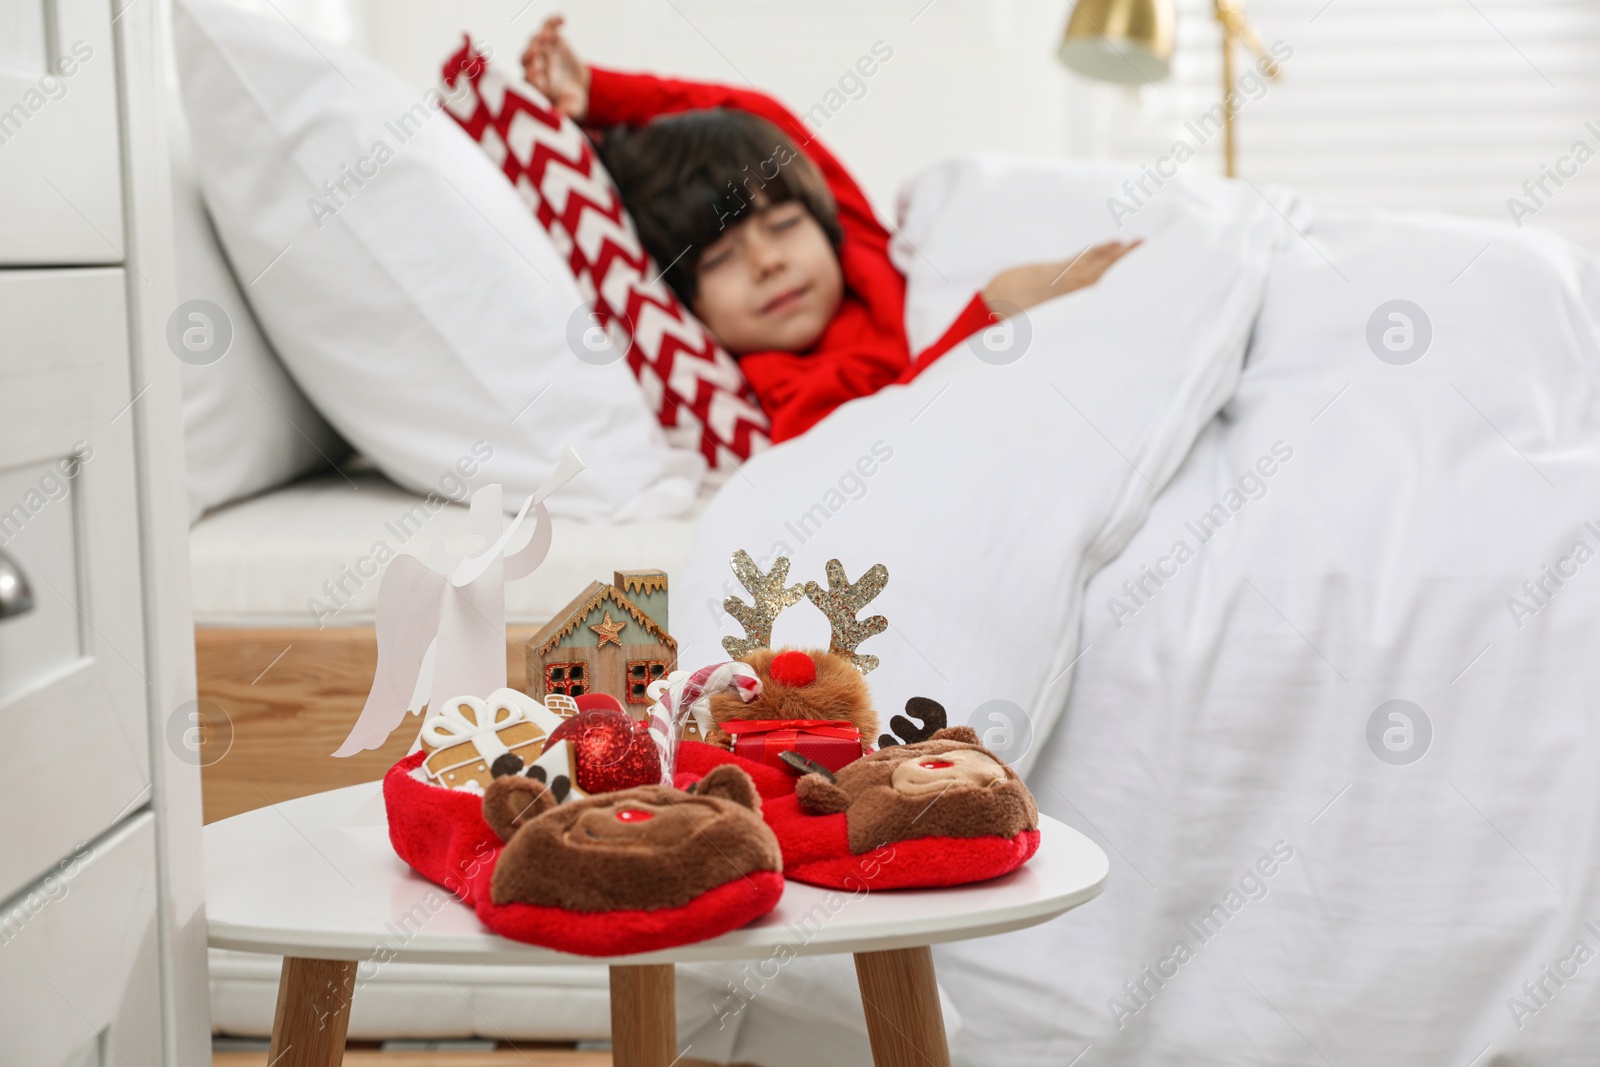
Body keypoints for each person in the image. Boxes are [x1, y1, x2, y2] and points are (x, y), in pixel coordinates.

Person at [523, 16, 1140, 443]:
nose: (769, 260)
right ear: (688, 306)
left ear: (824, 220)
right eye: (719, 259)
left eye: (786, 224)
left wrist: (601, 94)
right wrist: (995, 309)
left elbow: (755, 114)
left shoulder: (860, 246)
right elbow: (886, 440)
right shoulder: (781, 384)